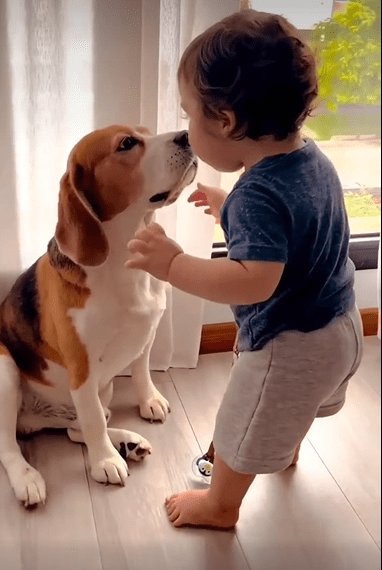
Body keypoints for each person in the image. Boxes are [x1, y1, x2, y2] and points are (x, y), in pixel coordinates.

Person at [125, 9, 364, 529]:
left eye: (189, 114)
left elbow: (255, 280)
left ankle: (220, 505)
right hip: (342, 324)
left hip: (291, 341)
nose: (186, 126)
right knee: (292, 405)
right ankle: (285, 445)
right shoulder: (310, 159)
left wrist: (173, 264)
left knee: (241, 422)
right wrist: (229, 203)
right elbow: (293, 222)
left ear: (226, 122)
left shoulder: (258, 195)